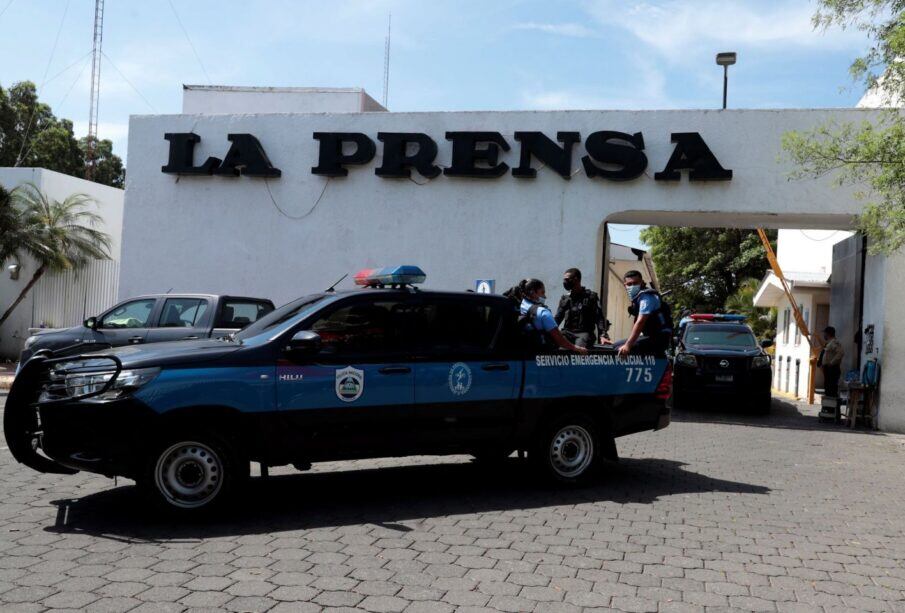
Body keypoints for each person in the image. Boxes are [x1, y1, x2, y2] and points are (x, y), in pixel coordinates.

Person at [520, 279, 589, 354]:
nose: (545, 296)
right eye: (542, 292)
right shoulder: (543, 313)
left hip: (526, 351)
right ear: (533, 293)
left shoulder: (522, 304)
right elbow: (560, 341)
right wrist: (577, 348)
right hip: (542, 353)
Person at [617, 270, 673, 357]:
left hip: (660, 339)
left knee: (620, 348)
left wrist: (628, 345)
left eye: (635, 283)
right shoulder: (638, 299)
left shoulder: (647, 298)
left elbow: (640, 322)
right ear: (625, 285)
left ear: (642, 283)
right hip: (651, 337)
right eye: (629, 284)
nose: (632, 286)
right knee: (616, 345)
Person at [555, 268, 610, 349]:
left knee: (579, 349)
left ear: (576, 279)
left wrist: (603, 335)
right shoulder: (565, 299)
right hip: (567, 332)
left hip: (584, 333)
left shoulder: (591, 297)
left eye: (567, 279)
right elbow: (557, 318)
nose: (565, 282)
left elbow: (599, 318)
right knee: (559, 347)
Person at [819, 326, 844, 397]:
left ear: (828, 334)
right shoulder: (829, 343)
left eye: (825, 333)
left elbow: (841, 353)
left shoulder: (834, 343)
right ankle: (828, 407)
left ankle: (832, 407)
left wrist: (831, 363)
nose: (824, 335)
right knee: (828, 389)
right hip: (828, 369)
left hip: (833, 369)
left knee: (832, 389)